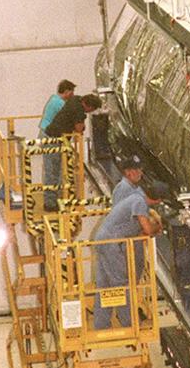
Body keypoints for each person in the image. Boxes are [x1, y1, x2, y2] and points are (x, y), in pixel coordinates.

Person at [92, 181, 166, 329]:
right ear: (158, 200)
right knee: (122, 283)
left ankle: (101, 325)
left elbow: (138, 232)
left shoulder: (135, 198)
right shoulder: (140, 202)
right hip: (110, 244)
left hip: (103, 241)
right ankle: (130, 323)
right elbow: (147, 229)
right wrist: (155, 229)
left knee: (105, 285)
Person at [41, 91, 102, 210]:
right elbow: (79, 128)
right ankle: (49, 204)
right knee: (52, 171)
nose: (89, 113)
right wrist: (81, 125)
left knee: (56, 171)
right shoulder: (79, 110)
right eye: (91, 110)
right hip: (53, 141)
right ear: (88, 106)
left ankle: (56, 198)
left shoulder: (76, 99)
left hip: (54, 138)